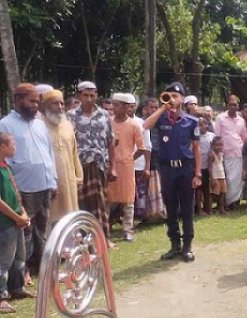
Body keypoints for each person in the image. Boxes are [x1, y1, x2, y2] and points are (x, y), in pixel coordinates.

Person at [0, 83, 58, 281]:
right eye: (31, 101)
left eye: (37, 101)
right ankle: (22, 273)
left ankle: (42, 268)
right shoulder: (5, 125)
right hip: (22, 188)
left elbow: (49, 153)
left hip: (44, 185)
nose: (35, 105)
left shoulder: (40, 123)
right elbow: (4, 162)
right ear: (17, 100)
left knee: (41, 230)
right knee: (24, 232)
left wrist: (53, 181)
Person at [142, 81, 201, 262]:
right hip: (167, 169)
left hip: (185, 168)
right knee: (171, 208)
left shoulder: (191, 121)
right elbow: (145, 125)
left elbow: (197, 149)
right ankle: (174, 245)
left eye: (176, 96)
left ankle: (187, 246)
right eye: (169, 95)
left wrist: (198, 174)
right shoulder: (161, 119)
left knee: (187, 208)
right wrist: (162, 108)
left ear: (182, 98)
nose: (172, 99)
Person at [68, 81, 116, 247]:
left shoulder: (104, 115)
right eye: (86, 95)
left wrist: (113, 166)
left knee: (101, 202)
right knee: (81, 203)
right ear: (79, 96)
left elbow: (111, 141)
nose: (89, 98)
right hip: (80, 167)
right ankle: (82, 239)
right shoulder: (71, 116)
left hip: (100, 165)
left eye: (93, 94)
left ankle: (103, 238)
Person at [0, 132, 33, 316]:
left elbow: (14, 192)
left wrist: (23, 213)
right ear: (2, 147)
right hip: (5, 223)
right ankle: (1, 297)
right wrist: (15, 217)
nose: (15, 147)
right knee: (3, 261)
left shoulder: (6, 166)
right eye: (12, 143)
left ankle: (16, 287)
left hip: (16, 220)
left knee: (20, 256)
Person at [40, 89, 83, 226]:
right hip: (50, 182)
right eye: (54, 103)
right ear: (44, 105)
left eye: (61, 103)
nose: (59, 107)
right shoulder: (38, 126)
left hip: (69, 181)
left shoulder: (68, 125)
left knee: (69, 218)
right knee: (49, 219)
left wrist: (79, 176)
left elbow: (74, 153)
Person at [108, 93, 146, 242]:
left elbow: (142, 148)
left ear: (125, 107)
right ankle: (107, 227)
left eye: (117, 105)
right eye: (113, 105)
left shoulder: (134, 124)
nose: (113, 108)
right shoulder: (108, 122)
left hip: (127, 167)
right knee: (109, 198)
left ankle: (127, 230)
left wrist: (130, 158)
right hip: (110, 165)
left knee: (128, 200)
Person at [213, 95, 246, 209]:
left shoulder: (241, 120)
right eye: (231, 104)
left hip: (238, 154)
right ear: (227, 105)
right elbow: (217, 136)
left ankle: (235, 202)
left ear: (238, 105)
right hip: (225, 155)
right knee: (228, 179)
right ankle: (226, 203)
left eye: (235, 104)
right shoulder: (221, 118)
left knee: (238, 180)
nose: (233, 106)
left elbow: (243, 137)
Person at [197, 117, 214, 215]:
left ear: (207, 125)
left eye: (203, 124)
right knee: (198, 189)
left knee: (207, 189)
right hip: (199, 166)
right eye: (199, 125)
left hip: (209, 167)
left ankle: (209, 209)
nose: (201, 127)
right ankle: (199, 209)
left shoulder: (211, 136)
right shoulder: (195, 137)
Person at [209, 136, 227, 214]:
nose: (219, 147)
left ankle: (221, 208)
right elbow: (209, 167)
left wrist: (225, 175)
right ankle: (210, 209)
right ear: (212, 146)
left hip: (222, 176)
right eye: (217, 145)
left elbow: (222, 165)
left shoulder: (221, 154)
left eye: (220, 145)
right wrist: (212, 178)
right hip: (215, 177)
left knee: (223, 193)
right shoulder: (212, 155)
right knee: (214, 194)